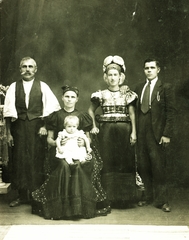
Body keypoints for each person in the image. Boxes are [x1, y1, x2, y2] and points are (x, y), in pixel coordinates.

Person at [32, 85, 106, 219]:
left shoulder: (83, 116)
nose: (69, 99)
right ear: (62, 98)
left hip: (78, 151)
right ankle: (61, 208)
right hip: (60, 152)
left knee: (78, 166)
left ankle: (78, 208)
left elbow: (87, 137)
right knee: (64, 166)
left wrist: (83, 142)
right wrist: (56, 143)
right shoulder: (55, 116)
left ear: (77, 99)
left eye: (72, 97)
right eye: (67, 96)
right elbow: (49, 138)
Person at [3, 56, 61, 207]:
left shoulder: (43, 86)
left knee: (36, 159)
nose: (27, 70)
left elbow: (52, 109)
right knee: (20, 160)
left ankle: (36, 195)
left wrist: (44, 127)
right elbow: (8, 113)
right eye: (24, 66)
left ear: (36, 70)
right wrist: (8, 133)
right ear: (20, 69)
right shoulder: (13, 87)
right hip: (19, 128)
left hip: (37, 128)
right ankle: (22, 196)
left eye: (30, 67)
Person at [88, 55, 138, 210]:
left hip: (124, 130)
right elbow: (90, 110)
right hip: (107, 132)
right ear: (105, 77)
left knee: (124, 162)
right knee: (108, 161)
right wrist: (94, 125)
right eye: (110, 75)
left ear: (120, 76)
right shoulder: (100, 94)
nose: (112, 77)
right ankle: (108, 197)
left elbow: (132, 114)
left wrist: (134, 132)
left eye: (115, 74)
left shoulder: (128, 94)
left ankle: (125, 199)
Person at [134, 58, 175, 212]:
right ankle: (148, 196)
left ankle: (162, 200)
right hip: (141, 130)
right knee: (143, 165)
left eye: (152, 67)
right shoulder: (139, 87)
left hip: (157, 132)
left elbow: (171, 112)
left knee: (158, 166)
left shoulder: (165, 87)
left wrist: (166, 134)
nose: (149, 70)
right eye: (146, 68)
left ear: (158, 69)